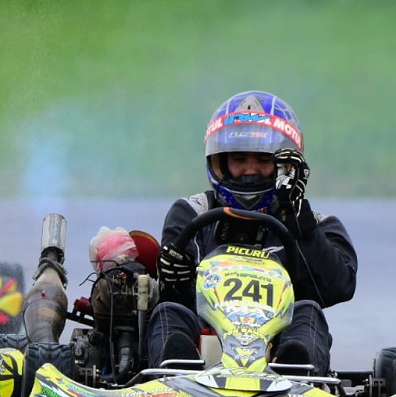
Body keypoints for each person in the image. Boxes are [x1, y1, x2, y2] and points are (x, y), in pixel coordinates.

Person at [147, 90, 357, 375]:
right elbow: (176, 297)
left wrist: (299, 223)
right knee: (169, 312)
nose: (251, 170)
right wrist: (176, 280)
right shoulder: (191, 213)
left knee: (308, 312)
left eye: (263, 159)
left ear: (285, 165)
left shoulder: (315, 224)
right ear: (220, 163)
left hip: (276, 348)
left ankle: (295, 374)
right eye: (239, 159)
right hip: (202, 352)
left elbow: (336, 288)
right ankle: (173, 371)